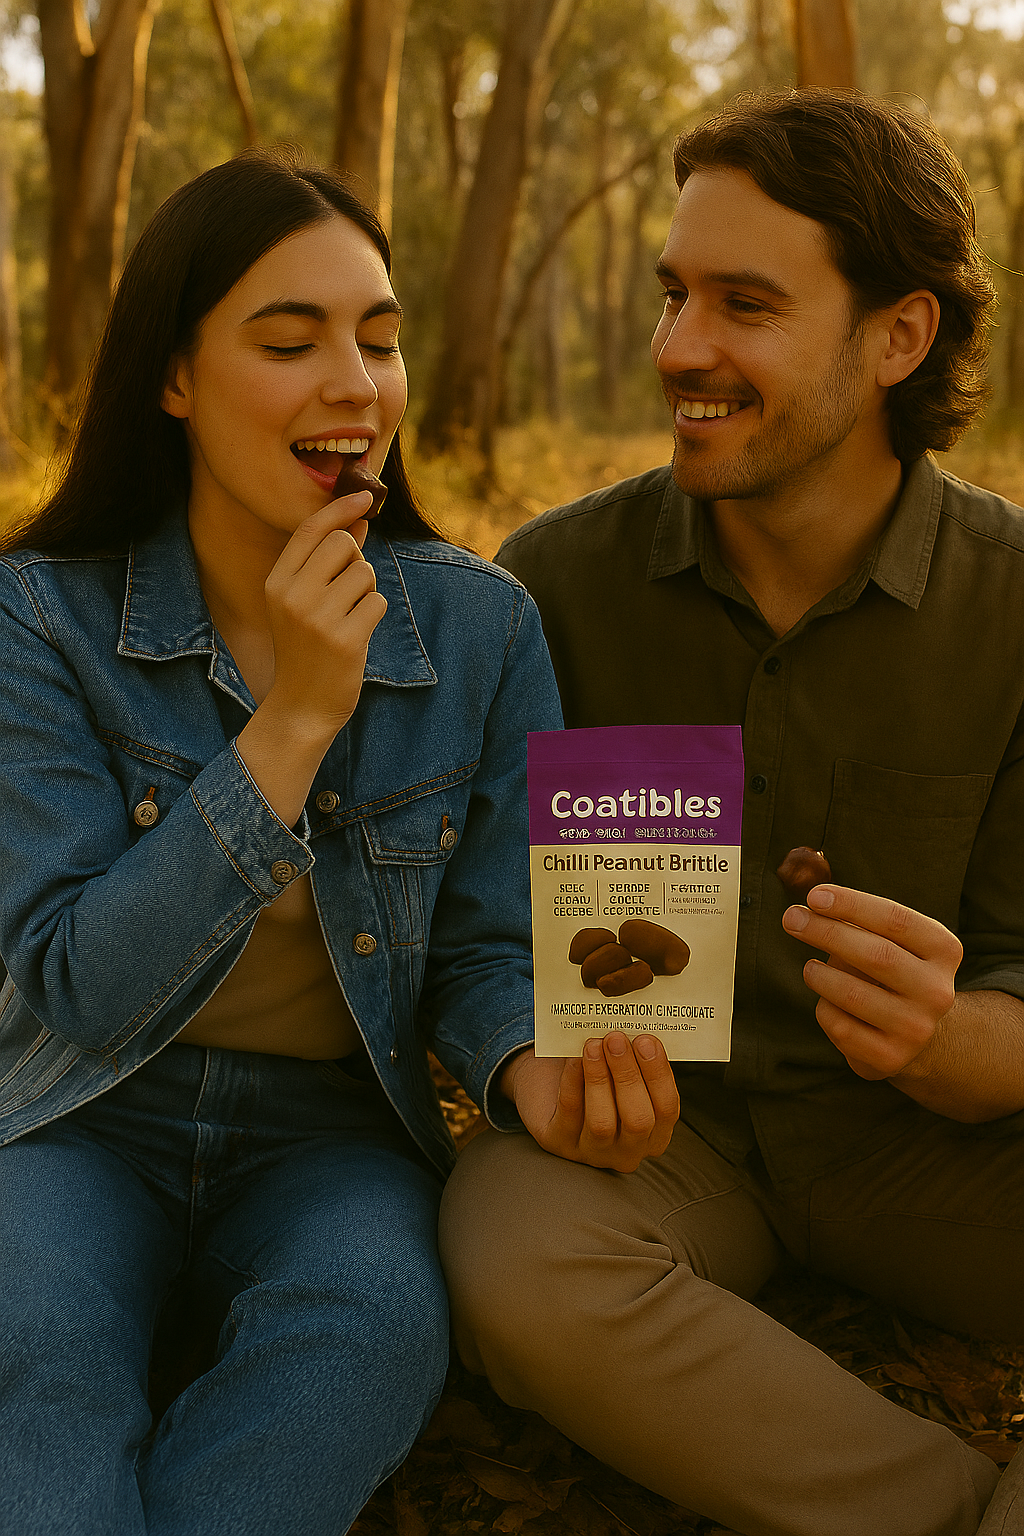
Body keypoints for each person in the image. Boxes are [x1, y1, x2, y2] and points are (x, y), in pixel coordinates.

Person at [438, 91, 1024, 1536]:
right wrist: (523, 1051)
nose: (678, 350)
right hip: (661, 1149)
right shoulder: (551, 588)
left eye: (744, 304)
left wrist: (970, 1045)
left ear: (898, 338)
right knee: (509, 1254)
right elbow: (462, 923)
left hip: (939, 1157)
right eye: (672, 296)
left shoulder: (1015, 606)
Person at [0, 149, 562, 1535]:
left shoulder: (481, 628)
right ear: (174, 378)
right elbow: (74, 978)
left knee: (367, 1331)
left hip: (332, 1138)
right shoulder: (40, 619)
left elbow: (493, 944)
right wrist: (293, 724)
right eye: (290, 339)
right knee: (41, 1359)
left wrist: (529, 1060)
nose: (354, 385)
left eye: (380, 338)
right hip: (78, 1112)